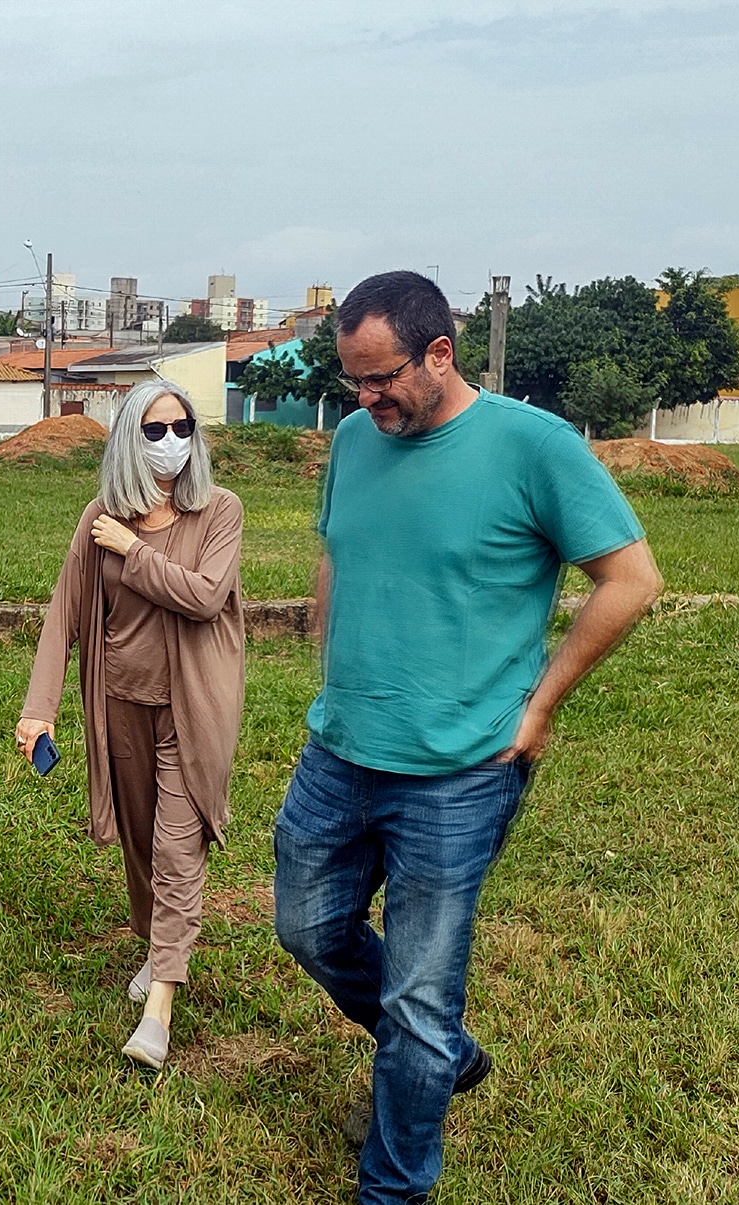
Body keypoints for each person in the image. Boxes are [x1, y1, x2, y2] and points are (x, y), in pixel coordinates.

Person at [272, 271, 662, 1203]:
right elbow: (341, 548)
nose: (364, 401)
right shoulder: (358, 442)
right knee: (306, 925)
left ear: (439, 352)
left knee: (415, 995)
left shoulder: (533, 446)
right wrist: (332, 645)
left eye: (382, 379)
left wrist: (538, 707)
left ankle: (393, 1185)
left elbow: (631, 578)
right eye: (350, 383)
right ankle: (442, 1055)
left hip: (459, 772)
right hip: (339, 748)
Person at [17, 380, 246, 1070]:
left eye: (182, 427)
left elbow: (205, 598)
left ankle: (158, 1012)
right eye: (153, 430)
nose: (171, 441)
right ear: (127, 439)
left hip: (191, 706)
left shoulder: (218, 512)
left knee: (179, 848)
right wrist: (39, 708)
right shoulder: (99, 517)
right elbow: (65, 615)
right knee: (142, 844)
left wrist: (133, 550)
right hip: (120, 703)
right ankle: (159, 946)